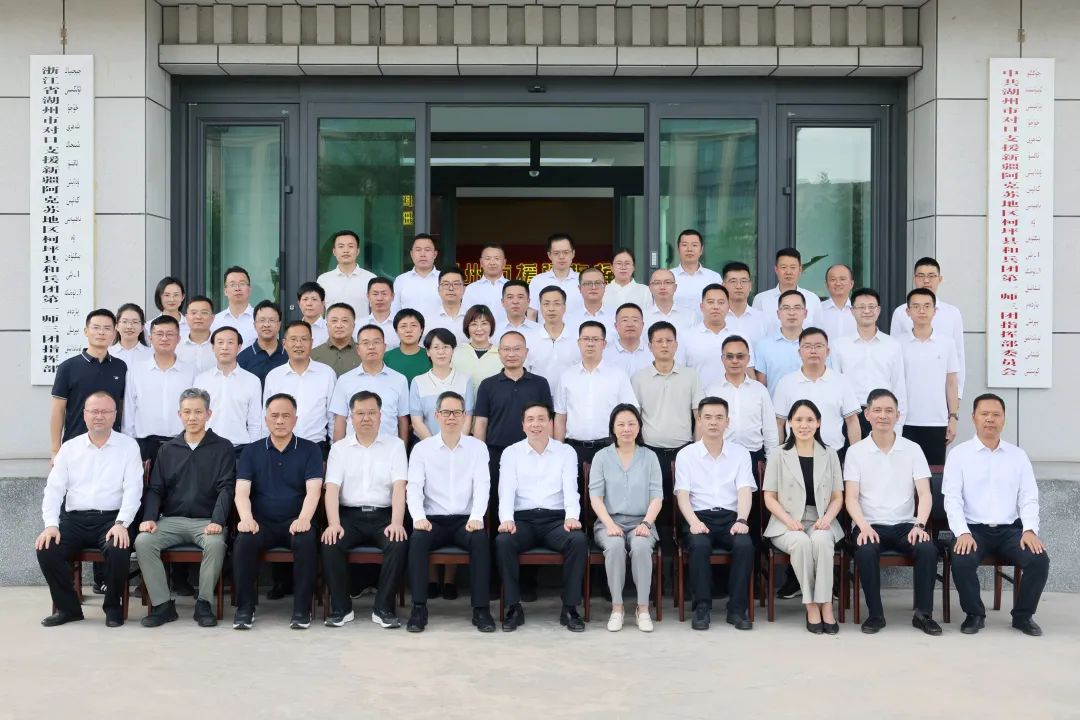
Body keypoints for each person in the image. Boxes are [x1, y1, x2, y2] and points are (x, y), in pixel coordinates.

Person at [945, 393, 1049, 637]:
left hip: (1010, 530)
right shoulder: (959, 455)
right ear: (973, 417)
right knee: (961, 559)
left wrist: (1029, 530)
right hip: (973, 530)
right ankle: (974, 614)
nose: (990, 419)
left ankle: (1023, 616)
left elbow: (1029, 497)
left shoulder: (1017, 456)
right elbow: (952, 499)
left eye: (996, 414)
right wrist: (962, 532)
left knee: (1038, 560)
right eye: (984, 414)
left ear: (1004, 419)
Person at [37, 391, 143, 627]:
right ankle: (68, 609)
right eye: (94, 411)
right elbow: (53, 490)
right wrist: (51, 525)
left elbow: (133, 490)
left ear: (115, 415)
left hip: (112, 520)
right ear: (84, 415)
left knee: (118, 547)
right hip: (74, 521)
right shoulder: (69, 448)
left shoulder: (128, 447)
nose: (99, 416)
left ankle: (113, 608)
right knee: (47, 548)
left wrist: (122, 523)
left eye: (105, 411)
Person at [134, 388, 235, 628]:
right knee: (143, 541)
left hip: (207, 521)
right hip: (172, 520)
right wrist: (150, 517)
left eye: (198, 412)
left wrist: (217, 521)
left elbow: (227, 488)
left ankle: (204, 603)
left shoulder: (223, 447)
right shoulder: (168, 449)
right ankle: (162, 605)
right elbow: (155, 488)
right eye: (187, 412)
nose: (192, 417)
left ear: (208, 414)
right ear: (179, 415)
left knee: (215, 543)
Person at [844, 389, 941, 636]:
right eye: (877, 410)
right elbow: (851, 497)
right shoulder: (855, 452)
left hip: (906, 525)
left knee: (928, 549)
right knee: (866, 550)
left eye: (889, 411)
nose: (883, 415)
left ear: (898, 415)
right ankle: (875, 615)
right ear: (867, 414)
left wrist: (920, 525)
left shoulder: (913, 449)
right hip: (869, 524)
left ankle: (923, 614)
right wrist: (863, 526)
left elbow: (925, 493)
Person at [406, 391, 496, 633]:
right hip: (432, 521)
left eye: (457, 412)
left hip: (465, 522)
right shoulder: (422, 449)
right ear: (436, 416)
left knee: (480, 540)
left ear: (465, 416)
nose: (451, 417)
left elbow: (483, 485)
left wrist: (477, 517)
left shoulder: (477, 448)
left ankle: (481, 609)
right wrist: (419, 518)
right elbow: (414, 487)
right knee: (417, 540)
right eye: (446, 412)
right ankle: (418, 608)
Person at [232, 393, 323, 630]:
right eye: (274, 416)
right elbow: (241, 492)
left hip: (296, 521)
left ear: (295, 419)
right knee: (244, 540)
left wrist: (304, 518)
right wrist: (247, 519)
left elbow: (314, 491)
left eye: (286, 416)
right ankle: (245, 608)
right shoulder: (251, 451)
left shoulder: (310, 449)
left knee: (306, 540)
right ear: (266, 419)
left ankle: (302, 609)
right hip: (261, 523)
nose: (280, 421)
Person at [321, 390, 409, 629]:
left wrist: (397, 522)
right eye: (360, 413)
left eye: (371, 412)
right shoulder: (339, 448)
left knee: (398, 541)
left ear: (380, 416)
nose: (366, 418)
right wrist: (333, 524)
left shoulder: (395, 445)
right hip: (349, 516)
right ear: (351, 417)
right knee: (331, 542)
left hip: (384, 516)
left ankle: (383, 608)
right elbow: (331, 489)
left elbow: (399, 487)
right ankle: (341, 608)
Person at [496, 402, 587, 632]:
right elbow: (506, 490)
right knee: (503, 541)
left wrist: (572, 516)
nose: (536, 424)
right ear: (523, 425)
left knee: (577, 540)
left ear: (550, 423)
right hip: (523, 520)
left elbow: (571, 489)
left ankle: (570, 608)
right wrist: (506, 519)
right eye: (530, 419)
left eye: (541, 419)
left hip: (555, 521)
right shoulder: (511, 453)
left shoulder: (565, 452)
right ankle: (513, 607)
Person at [472, 331, 553, 579]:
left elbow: (548, 421)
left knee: (528, 512)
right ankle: (497, 578)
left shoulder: (539, 383)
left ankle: (528, 580)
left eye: (517, 349)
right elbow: (481, 423)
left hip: (533, 455)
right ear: (499, 353)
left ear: (526, 352)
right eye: (506, 349)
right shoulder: (488, 385)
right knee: (497, 511)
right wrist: (480, 459)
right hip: (496, 456)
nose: (511, 354)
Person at [762, 399, 844, 634]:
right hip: (785, 521)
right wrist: (789, 521)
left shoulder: (830, 454)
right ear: (789, 423)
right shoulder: (779, 454)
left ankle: (826, 605)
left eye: (810, 420)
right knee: (801, 543)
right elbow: (769, 497)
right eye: (798, 419)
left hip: (821, 518)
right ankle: (811, 606)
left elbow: (837, 496)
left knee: (821, 541)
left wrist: (827, 518)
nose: (804, 425)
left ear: (818, 423)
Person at [675, 396, 756, 631]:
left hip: (731, 518)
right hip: (699, 516)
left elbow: (744, 491)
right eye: (708, 417)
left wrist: (742, 519)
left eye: (719, 417)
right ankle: (702, 607)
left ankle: (737, 609)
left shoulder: (740, 454)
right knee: (699, 546)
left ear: (727, 422)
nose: (713, 422)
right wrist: (693, 522)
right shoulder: (686, 455)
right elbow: (682, 495)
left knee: (745, 545)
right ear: (699, 420)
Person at [631, 320, 703, 577]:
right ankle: (659, 571)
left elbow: (698, 416)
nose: (664, 345)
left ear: (676, 344)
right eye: (658, 341)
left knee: (683, 508)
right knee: (655, 508)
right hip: (650, 453)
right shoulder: (639, 378)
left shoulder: (690, 376)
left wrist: (696, 450)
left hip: (684, 452)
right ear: (649, 345)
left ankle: (682, 571)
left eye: (669, 340)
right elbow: (635, 419)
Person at [588, 404, 663, 632]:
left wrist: (646, 523)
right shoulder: (602, 457)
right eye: (621, 424)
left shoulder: (650, 457)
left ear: (639, 427)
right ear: (613, 428)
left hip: (642, 520)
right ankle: (617, 608)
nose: (626, 429)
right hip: (609, 521)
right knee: (614, 545)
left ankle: (643, 609)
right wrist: (609, 524)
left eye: (631, 424)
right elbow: (595, 497)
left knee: (640, 546)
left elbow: (657, 497)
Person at [555, 321, 638, 479]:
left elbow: (630, 414)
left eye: (595, 339)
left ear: (604, 344)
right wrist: (559, 451)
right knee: (576, 492)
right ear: (579, 342)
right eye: (586, 339)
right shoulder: (567, 376)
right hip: (574, 448)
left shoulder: (618, 375)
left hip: (609, 448)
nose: (590, 344)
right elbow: (560, 418)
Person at [51, 309, 128, 464]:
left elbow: (122, 408)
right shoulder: (68, 367)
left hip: (112, 446)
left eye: (107, 328)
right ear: (86, 331)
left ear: (114, 333)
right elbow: (58, 411)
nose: (101, 332)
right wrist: (55, 450)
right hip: (75, 445)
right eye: (96, 327)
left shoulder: (120, 367)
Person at [772, 328, 861, 455]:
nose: (813, 351)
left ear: (828, 351)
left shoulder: (842, 381)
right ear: (799, 352)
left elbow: (852, 421)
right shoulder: (785, 383)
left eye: (819, 346)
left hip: (833, 454)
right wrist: (776, 456)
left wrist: (856, 456)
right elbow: (779, 423)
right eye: (807, 346)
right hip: (794, 455)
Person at [832, 288, 908, 436]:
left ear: (878, 310)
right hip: (851, 415)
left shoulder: (892, 345)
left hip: (883, 414)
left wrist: (898, 426)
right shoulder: (839, 345)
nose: (867, 311)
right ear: (852, 311)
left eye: (871, 307)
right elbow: (835, 386)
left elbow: (899, 386)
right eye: (861, 307)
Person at [898, 288, 960, 466]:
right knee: (905, 472)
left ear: (935, 311)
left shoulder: (947, 343)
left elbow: (951, 383)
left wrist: (953, 417)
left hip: (937, 421)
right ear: (908, 311)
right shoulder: (897, 343)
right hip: (904, 420)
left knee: (935, 473)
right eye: (916, 306)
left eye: (927, 306)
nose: (921, 311)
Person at [890, 257, 966, 398]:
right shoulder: (900, 312)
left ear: (940, 279)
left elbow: (959, 355)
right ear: (914, 278)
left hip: (942, 391)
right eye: (921, 276)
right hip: (908, 390)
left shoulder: (952, 313)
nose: (926, 281)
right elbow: (893, 354)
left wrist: (957, 394)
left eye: (931, 276)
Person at [123, 315, 196, 462]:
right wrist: (128, 445)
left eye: (170, 334)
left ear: (178, 339)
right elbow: (129, 410)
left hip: (182, 444)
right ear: (150, 338)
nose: (164, 338)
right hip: (145, 445)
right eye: (159, 334)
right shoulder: (136, 371)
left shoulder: (191, 371)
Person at [705, 335, 779, 468]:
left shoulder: (760, 390)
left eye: (740, 356)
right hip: (720, 457)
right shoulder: (711, 391)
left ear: (748, 359)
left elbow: (770, 430)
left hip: (753, 457)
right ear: (722, 359)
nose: (735, 361)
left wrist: (771, 463)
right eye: (730, 356)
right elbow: (704, 429)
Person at [263, 321, 337, 454]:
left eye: (304, 339)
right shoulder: (274, 376)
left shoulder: (327, 374)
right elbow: (266, 416)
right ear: (284, 343)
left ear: (311, 342)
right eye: (293, 339)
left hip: (316, 447)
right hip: (280, 447)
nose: (298, 344)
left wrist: (333, 451)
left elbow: (333, 418)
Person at [331, 324, 410, 443]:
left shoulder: (399, 380)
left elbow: (402, 419)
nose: (371, 347)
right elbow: (340, 420)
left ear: (384, 347)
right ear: (358, 349)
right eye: (366, 343)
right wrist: (337, 451)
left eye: (376, 342)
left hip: (389, 448)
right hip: (353, 449)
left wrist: (402, 450)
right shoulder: (344, 380)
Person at [195, 326, 263, 450]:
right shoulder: (201, 380)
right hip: (207, 447)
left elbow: (255, 422)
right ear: (213, 347)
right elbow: (196, 417)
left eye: (230, 342)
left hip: (240, 448)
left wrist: (253, 450)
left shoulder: (252, 381)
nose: (225, 347)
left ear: (239, 347)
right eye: (220, 342)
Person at [410, 327, 474, 439]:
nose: (441, 352)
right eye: (436, 347)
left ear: (453, 350)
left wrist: (457, 443)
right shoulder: (418, 382)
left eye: (446, 347)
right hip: (426, 443)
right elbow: (417, 421)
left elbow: (467, 417)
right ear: (428, 351)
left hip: (460, 444)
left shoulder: (465, 380)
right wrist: (434, 446)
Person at [683, 284, 748, 388]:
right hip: (698, 397)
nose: (715, 307)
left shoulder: (741, 336)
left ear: (728, 307)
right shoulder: (685, 336)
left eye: (721, 302)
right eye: (710, 302)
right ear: (701, 306)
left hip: (733, 396)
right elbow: (679, 373)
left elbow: (748, 372)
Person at [524, 286, 580, 397]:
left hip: (571, 398)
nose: (551, 309)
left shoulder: (578, 338)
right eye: (546, 304)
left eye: (556, 304)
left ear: (564, 307)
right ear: (540, 308)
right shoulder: (529, 338)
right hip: (537, 399)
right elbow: (524, 372)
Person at [753, 289, 809, 396]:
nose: (792, 313)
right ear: (778, 314)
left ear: (805, 313)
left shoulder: (815, 345)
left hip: (810, 405)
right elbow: (761, 386)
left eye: (797, 308)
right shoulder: (764, 346)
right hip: (775, 405)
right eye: (786, 308)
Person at [752, 248, 823, 331]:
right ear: (776, 270)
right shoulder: (761, 299)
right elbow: (756, 332)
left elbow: (819, 333)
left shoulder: (813, 299)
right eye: (783, 267)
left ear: (800, 270)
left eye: (793, 267)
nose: (788, 272)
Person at [316, 229, 376, 318]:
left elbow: (376, 312)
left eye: (350, 246)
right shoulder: (323, 279)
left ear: (358, 251)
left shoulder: (371, 278)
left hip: (363, 327)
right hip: (332, 327)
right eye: (341, 246)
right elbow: (320, 313)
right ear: (334, 252)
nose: (346, 250)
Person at [527, 233, 584, 319]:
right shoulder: (538, 281)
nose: (561, 257)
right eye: (556, 253)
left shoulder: (583, 280)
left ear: (573, 253)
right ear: (549, 255)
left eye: (566, 252)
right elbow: (532, 313)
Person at [670, 229, 721, 316]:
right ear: (678, 249)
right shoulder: (668, 277)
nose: (689, 249)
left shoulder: (714, 278)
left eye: (694, 245)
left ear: (701, 250)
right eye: (684, 245)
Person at [237, 300, 287, 386]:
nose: (266, 325)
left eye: (271, 320)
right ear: (254, 325)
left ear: (279, 325)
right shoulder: (242, 358)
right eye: (262, 320)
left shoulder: (289, 355)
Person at [452, 304, 503, 388]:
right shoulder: (456, 353)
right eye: (474, 324)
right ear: (467, 327)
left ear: (491, 326)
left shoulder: (501, 354)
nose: (479, 328)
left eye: (484, 323)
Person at [722, 261, 768, 347]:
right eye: (733, 281)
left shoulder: (763, 319)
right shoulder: (717, 318)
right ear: (723, 286)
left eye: (743, 281)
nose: (739, 286)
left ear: (750, 286)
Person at [462, 244, 509, 326]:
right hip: (480, 332)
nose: (492, 263)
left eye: (497, 259)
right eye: (488, 259)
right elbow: (466, 317)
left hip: (508, 332)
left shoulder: (512, 287)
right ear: (481, 262)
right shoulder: (471, 289)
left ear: (504, 263)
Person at [392, 233, 440, 314]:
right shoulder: (401, 280)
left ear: (435, 254)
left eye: (427, 250)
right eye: (418, 250)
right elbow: (394, 312)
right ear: (411, 254)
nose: (423, 254)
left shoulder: (444, 279)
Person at [210, 265, 257, 348]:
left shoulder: (260, 319)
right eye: (232, 284)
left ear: (249, 289)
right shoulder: (215, 321)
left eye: (242, 284)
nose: (237, 288)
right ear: (225, 291)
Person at [384, 309, 432, 384]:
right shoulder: (386, 358)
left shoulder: (431, 356)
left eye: (413, 325)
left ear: (421, 330)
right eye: (403, 326)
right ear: (396, 331)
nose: (408, 330)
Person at [312, 302, 360, 377]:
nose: (339, 325)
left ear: (353, 325)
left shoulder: (365, 353)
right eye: (334, 321)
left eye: (344, 320)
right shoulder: (313, 355)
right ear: (327, 325)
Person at [602, 303, 651, 376]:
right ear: (616, 326)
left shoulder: (653, 352)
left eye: (635, 320)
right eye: (624, 320)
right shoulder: (604, 354)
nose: (630, 324)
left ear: (642, 325)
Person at [424, 266, 469, 345]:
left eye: (456, 284)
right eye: (446, 284)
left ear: (464, 289)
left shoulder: (473, 317)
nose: (451, 288)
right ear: (438, 290)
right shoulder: (427, 319)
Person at [643, 268, 695, 336]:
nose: (662, 287)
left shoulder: (690, 316)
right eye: (657, 283)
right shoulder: (642, 317)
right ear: (650, 288)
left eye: (667, 282)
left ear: (675, 287)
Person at [567, 267, 615, 337]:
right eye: (588, 283)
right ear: (579, 288)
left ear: (604, 286)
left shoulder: (616, 316)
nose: (593, 287)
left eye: (598, 283)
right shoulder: (568, 318)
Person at [603, 248, 651, 313]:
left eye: (627, 263)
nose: (623, 267)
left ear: (633, 267)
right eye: (619, 263)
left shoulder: (645, 291)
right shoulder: (603, 291)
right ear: (612, 268)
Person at [176, 295, 215, 374]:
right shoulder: (176, 345)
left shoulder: (222, 345)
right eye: (193, 313)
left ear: (212, 318)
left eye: (204, 313)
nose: (198, 317)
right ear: (186, 317)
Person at [819, 264, 856, 342]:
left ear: (851, 284)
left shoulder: (859, 311)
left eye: (842, 279)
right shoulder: (818, 310)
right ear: (826, 284)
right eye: (833, 279)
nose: (838, 283)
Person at [360, 277, 399, 349]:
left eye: (384, 294)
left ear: (393, 296)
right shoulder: (358, 325)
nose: (380, 298)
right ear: (368, 296)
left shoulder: (401, 326)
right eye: (375, 294)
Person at [110, 302, 152, 367]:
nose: (129, 326)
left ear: (142, 327)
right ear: (117, 326)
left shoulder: (152, 354)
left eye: (135, 322)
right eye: (124, 321)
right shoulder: (108, 353)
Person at [296, 281, 329, 347]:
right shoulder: (294, 330)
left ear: (322, 303)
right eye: (305, 299)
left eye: (314, 299)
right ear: (299, 304)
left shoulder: (330, 329)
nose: (309, 304)